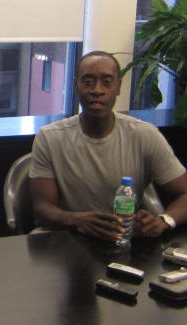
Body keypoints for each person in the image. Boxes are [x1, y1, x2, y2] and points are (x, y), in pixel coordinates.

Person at [29, 51, 187, 242]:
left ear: (118, 87)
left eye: (107, 82)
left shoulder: (145, 135)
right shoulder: (49, 138)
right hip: (68, 240)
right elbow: (41, 209)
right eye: (88, 82)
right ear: (76, 85)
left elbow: (184, 193)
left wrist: (164, 220)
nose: (97, 90)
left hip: (125, 240)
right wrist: (75, 220)